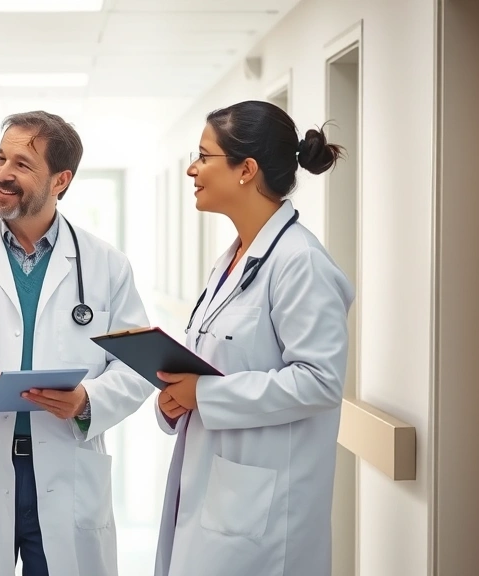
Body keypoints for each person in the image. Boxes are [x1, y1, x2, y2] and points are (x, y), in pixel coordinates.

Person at [0, 110, 155, 576]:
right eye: (1, 157)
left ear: (61, 180)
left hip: (66, 465)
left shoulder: (106, 264)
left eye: (23, 164)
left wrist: (88, 400)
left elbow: (137, 366)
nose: (3, 173)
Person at [152, 100, 354, 576]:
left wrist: (204, 393)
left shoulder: (300, 262)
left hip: (260, 511)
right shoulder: (233, 260)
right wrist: (174, 399)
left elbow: (320, 382)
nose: (191, 168)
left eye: (204, 156)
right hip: (212, 486)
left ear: (246, 169)